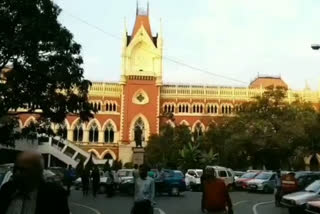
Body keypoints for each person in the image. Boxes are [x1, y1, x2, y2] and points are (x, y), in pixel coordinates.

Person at [0, 151, 70, 214]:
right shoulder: (7, 189)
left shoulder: (54, 196)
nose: (17, 173)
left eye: (23, 170)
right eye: (16, 169)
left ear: (37, 172)